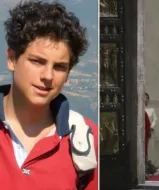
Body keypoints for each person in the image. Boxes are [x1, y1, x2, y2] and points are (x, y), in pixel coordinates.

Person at [0, 1, 98, 190]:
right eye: (37, 61)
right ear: (12, 59)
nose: (48, 76)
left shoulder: (86, 140)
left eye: (59, 67)